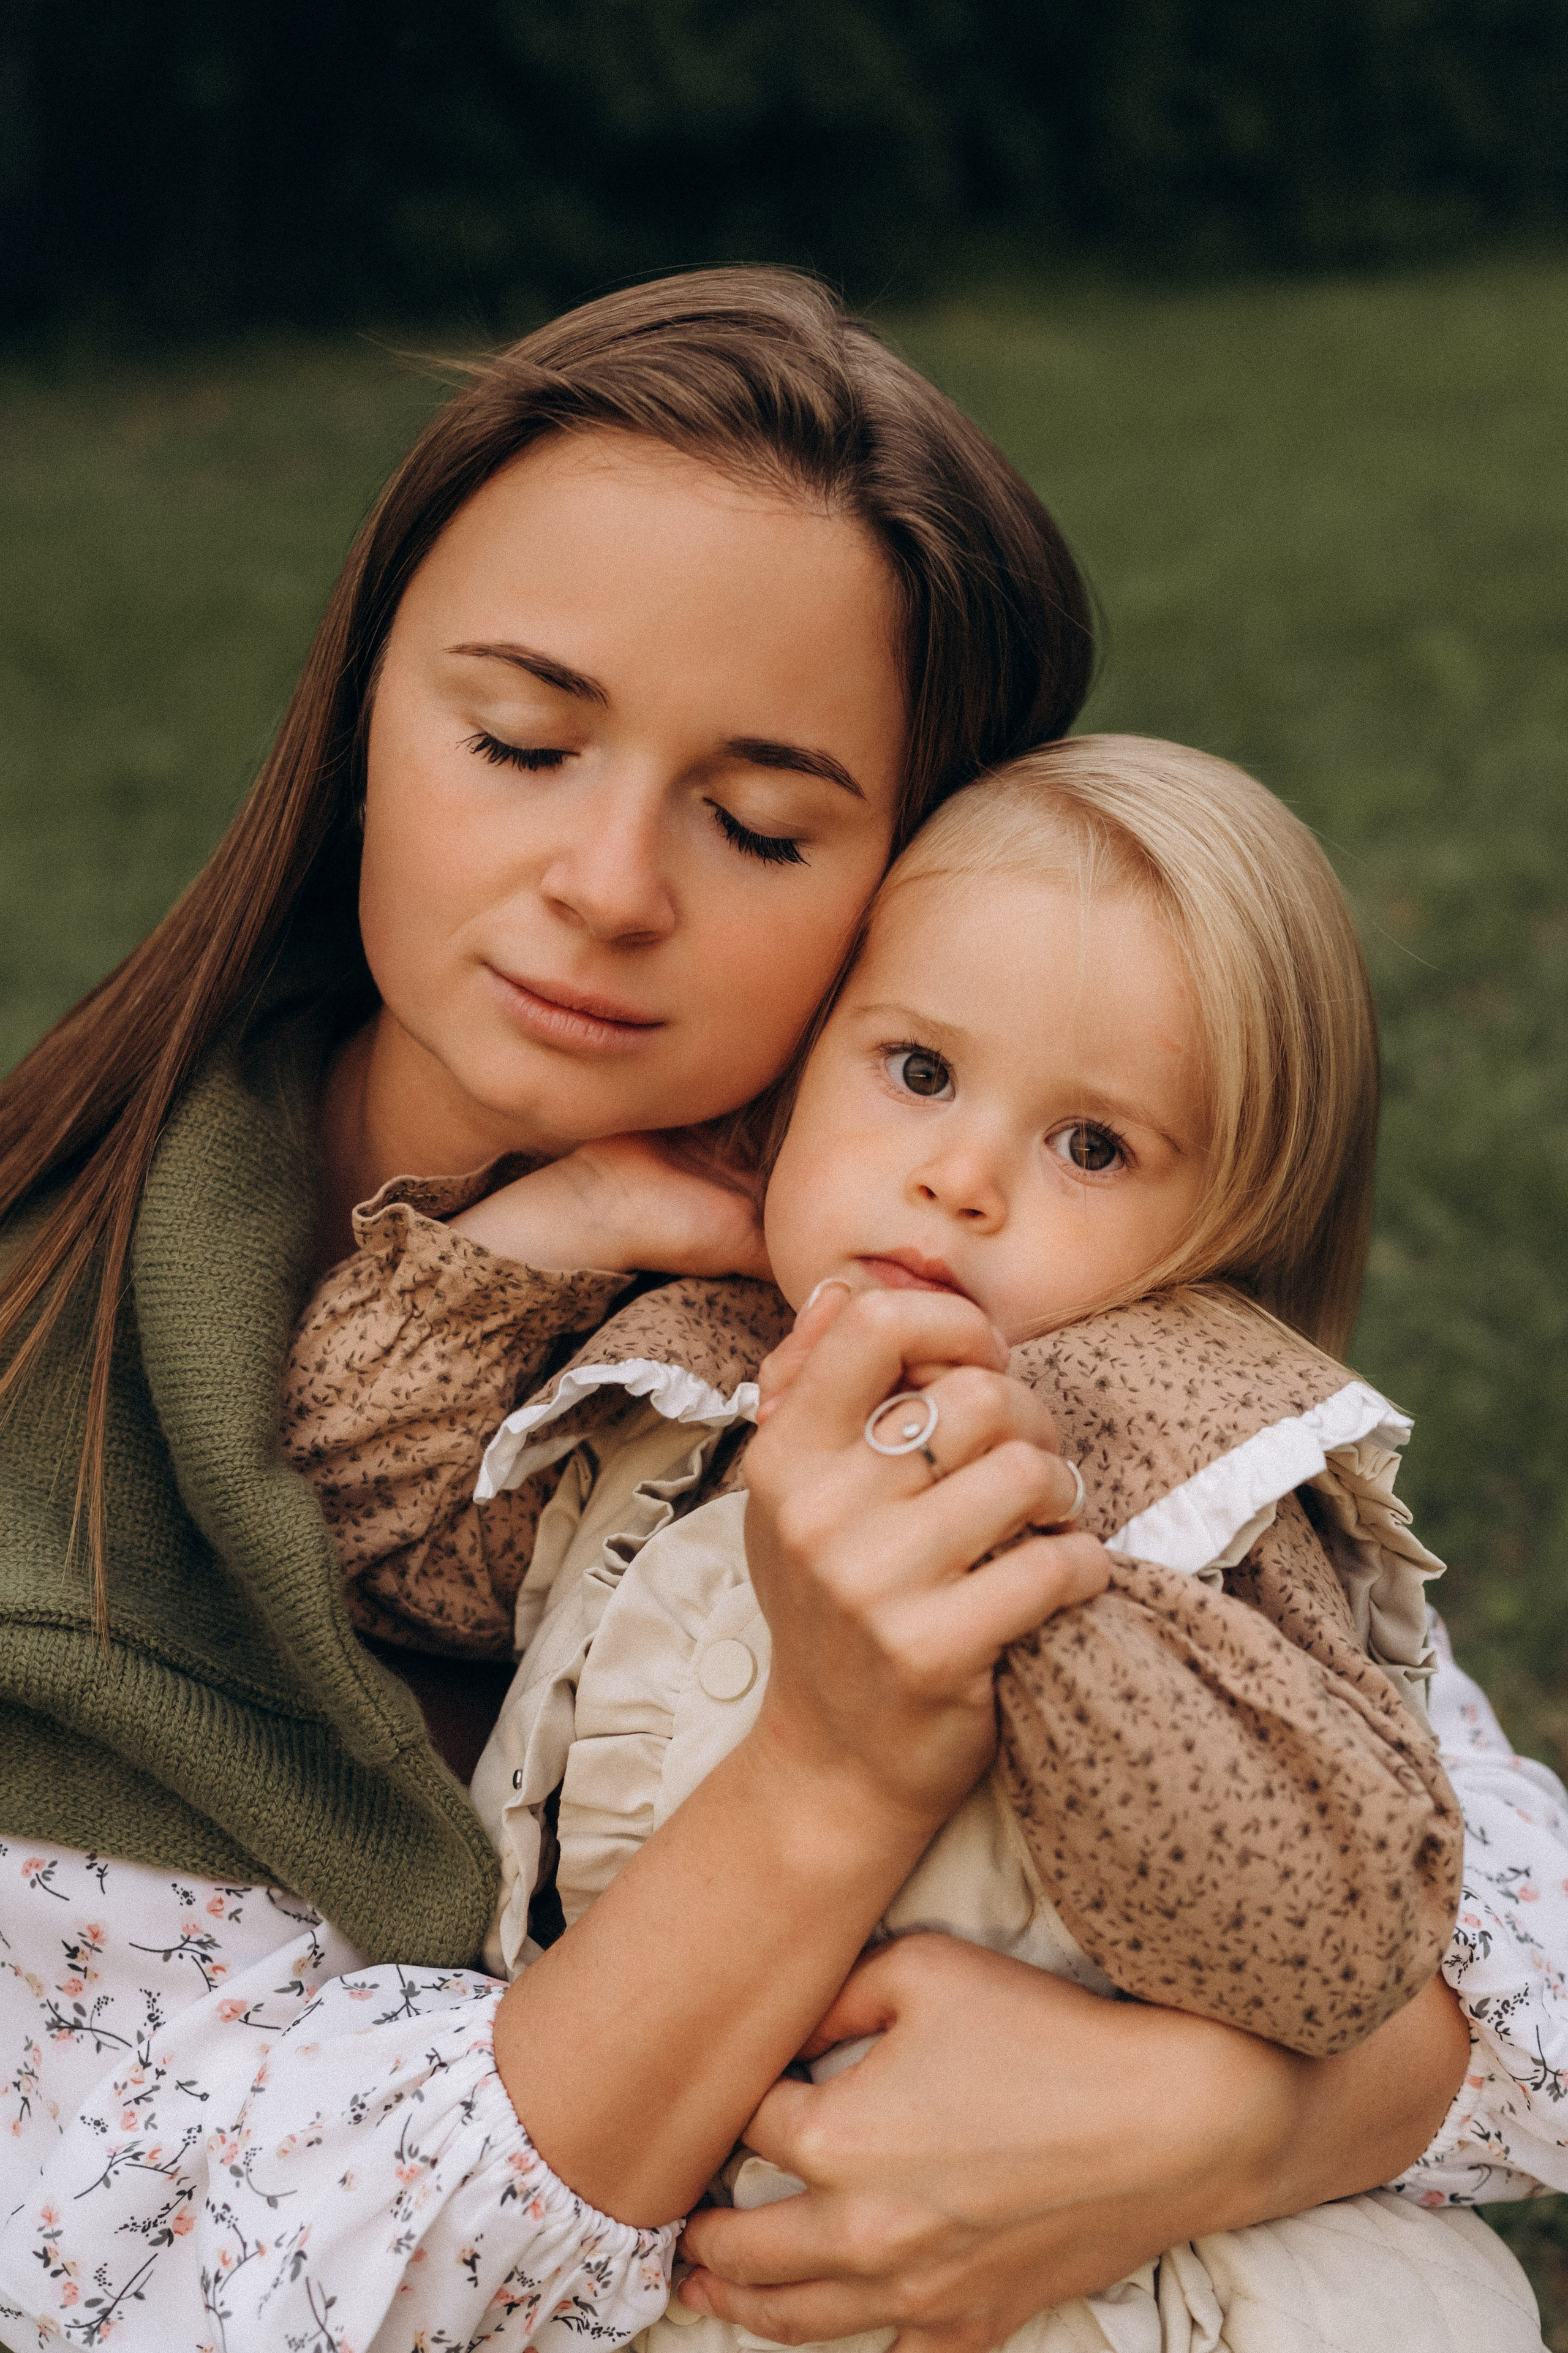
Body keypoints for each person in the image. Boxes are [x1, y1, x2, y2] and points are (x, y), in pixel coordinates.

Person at [0, 270, 1559, 2353]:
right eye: (523, 738)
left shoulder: (940, 1279)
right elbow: (142, 2265)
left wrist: (1223, 2117)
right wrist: (830, 1776)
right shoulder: (64, 1387)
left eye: (758, 822)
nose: (611, 882)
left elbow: (1495, 1895)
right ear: (362, 711)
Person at [281, 734, 1540, 2347]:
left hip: (1109, 2287)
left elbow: (1327, 1935)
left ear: (1229, 1229)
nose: (957, 1180)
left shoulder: (1199, 1459)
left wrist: (1020, 1578)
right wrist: (569, 1224)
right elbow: (367, 1532)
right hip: (701, 2265)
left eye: (1092, 1147)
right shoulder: (685, 1366)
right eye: (920, 1073)